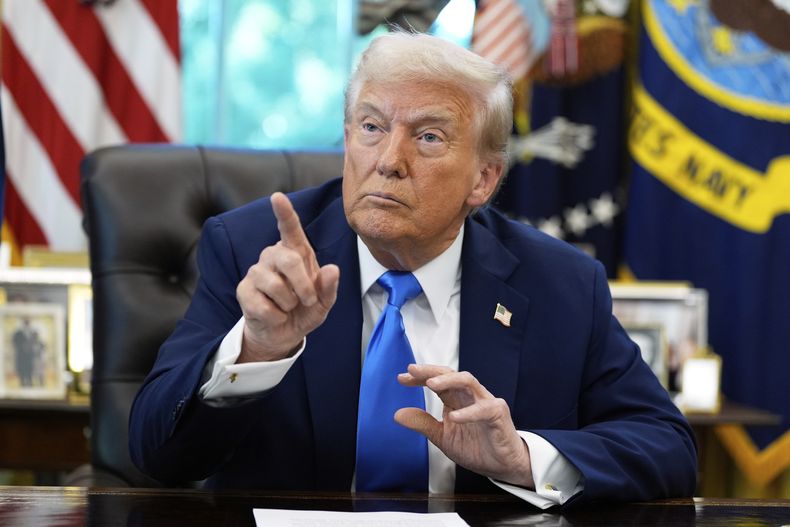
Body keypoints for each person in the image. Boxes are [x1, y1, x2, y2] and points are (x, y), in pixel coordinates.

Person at [129, 31, 697, 508]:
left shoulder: (561, 283)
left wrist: (522, 457)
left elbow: (666, 447)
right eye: (371, 126)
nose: (389, 161)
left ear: (484, 179)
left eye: (428, 137)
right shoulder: (252, 251)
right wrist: (256, 350)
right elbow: (156, 453)